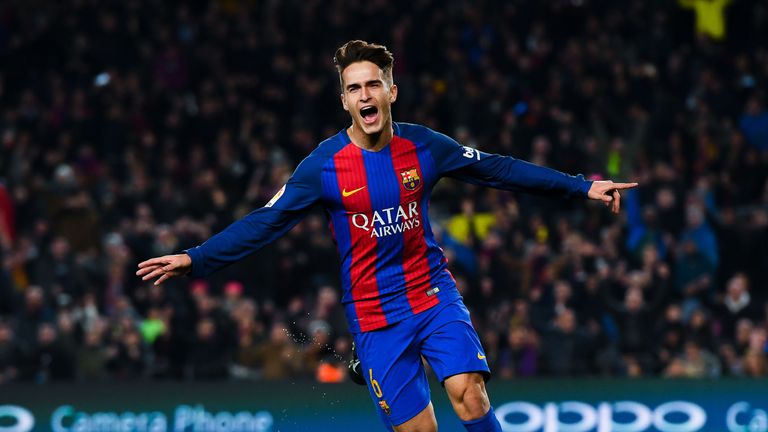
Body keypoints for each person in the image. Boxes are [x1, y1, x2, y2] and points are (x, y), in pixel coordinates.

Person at [137, 40, 637, 432]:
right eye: (354, 89)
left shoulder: (426, 146)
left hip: (431, 292)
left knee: (468, 392)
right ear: (344, 102)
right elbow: (264, 222)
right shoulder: (323, 167)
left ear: (391, 91)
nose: (365, 96)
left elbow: (499, 169)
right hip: (375, 314)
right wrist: (195, 258)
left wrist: (581, 188)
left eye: (373, 85)